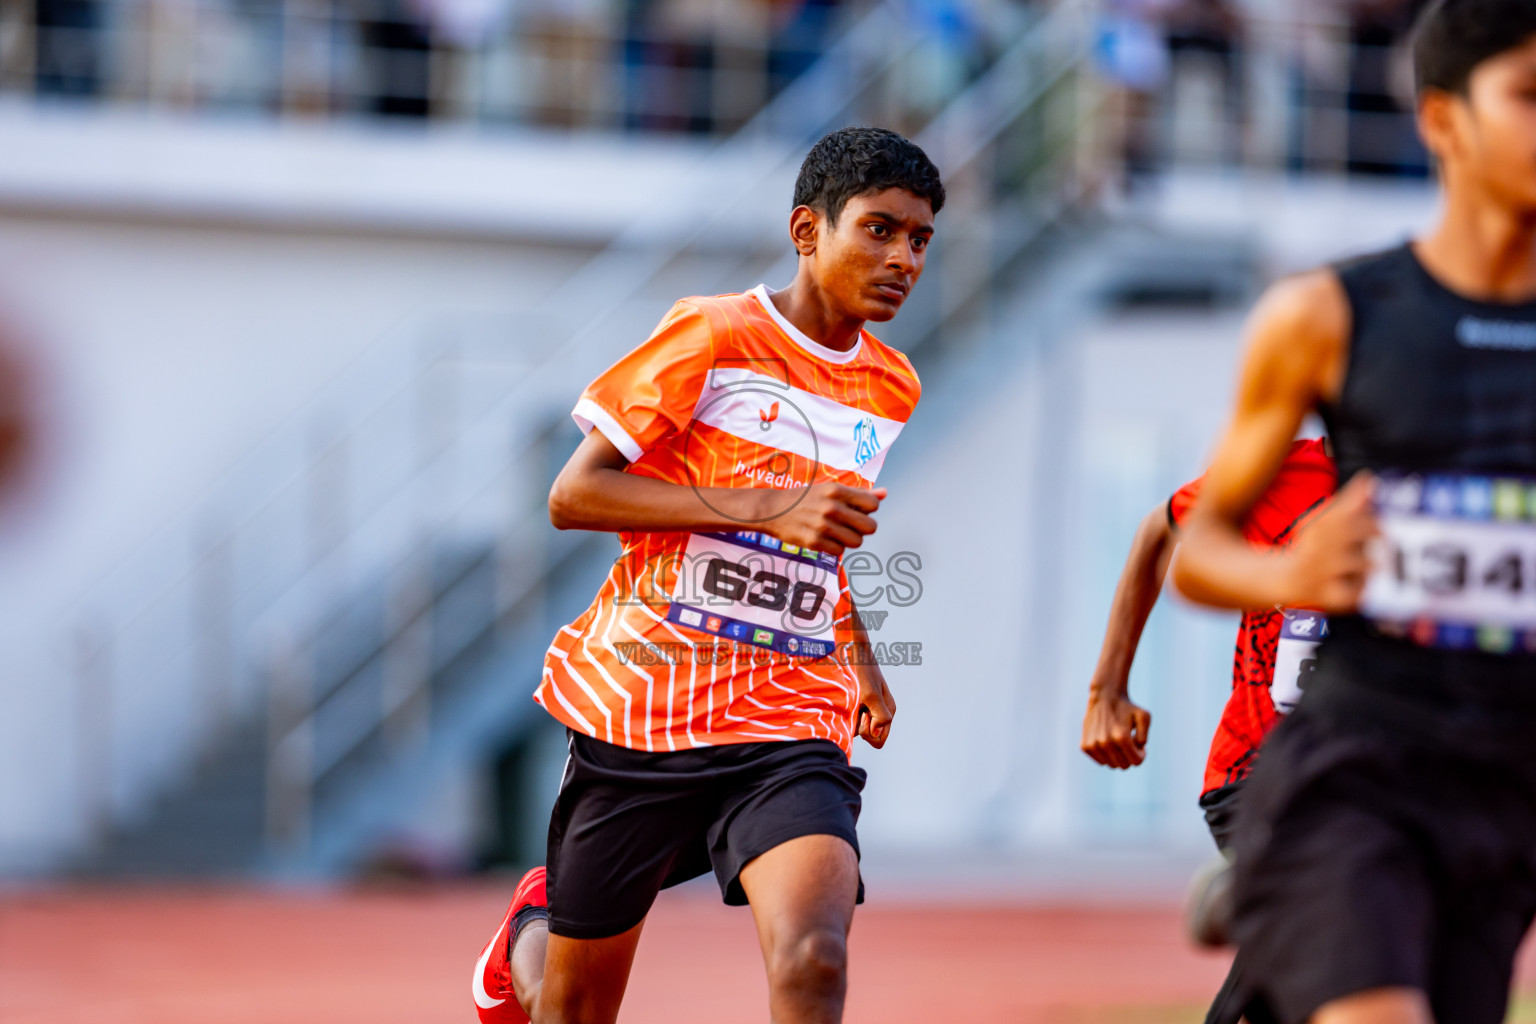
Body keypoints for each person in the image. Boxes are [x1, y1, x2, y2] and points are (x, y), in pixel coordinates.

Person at [471, 126, 943, 1024]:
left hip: (790, 711)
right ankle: (530, 930)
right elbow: (575, 497)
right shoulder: (711, 333)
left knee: (813, 960)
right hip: (646, 704)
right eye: (879, 229)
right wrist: (766, 506)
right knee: (567, 1008)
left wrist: (863, 663)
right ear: (808, 231)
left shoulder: (893, 387)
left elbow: (821, 538)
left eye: (920, 239)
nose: (903, 258)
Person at [1171, 2, 1536, 1021]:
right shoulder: (1326, 316)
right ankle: (1286, 876)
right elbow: (1196, 548)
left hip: (1505, 791)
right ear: (1443, 122)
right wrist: (1285, 576)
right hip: (1358, 764)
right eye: (1531, 98)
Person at [1080, 437, 1335, 851]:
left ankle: (1233, 907)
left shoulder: (1445, 483)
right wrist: (1106, 690)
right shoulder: (1279, 467)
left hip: (1392, 766)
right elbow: (1159, 530)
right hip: (1260, 772)